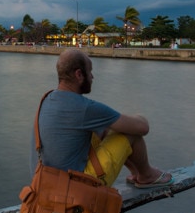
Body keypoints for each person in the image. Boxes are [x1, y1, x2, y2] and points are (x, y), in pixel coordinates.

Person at [34, 48, 172, 188]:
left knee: (103, 130)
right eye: (90, 72)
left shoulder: (47, 99)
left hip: (50, 183)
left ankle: (136, 172)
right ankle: (146, 176)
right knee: (131, 134)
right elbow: (143, 128)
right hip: (78, 188)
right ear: (79, 74)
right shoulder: (85, 108)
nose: (92, 77)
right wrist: (140, 116)